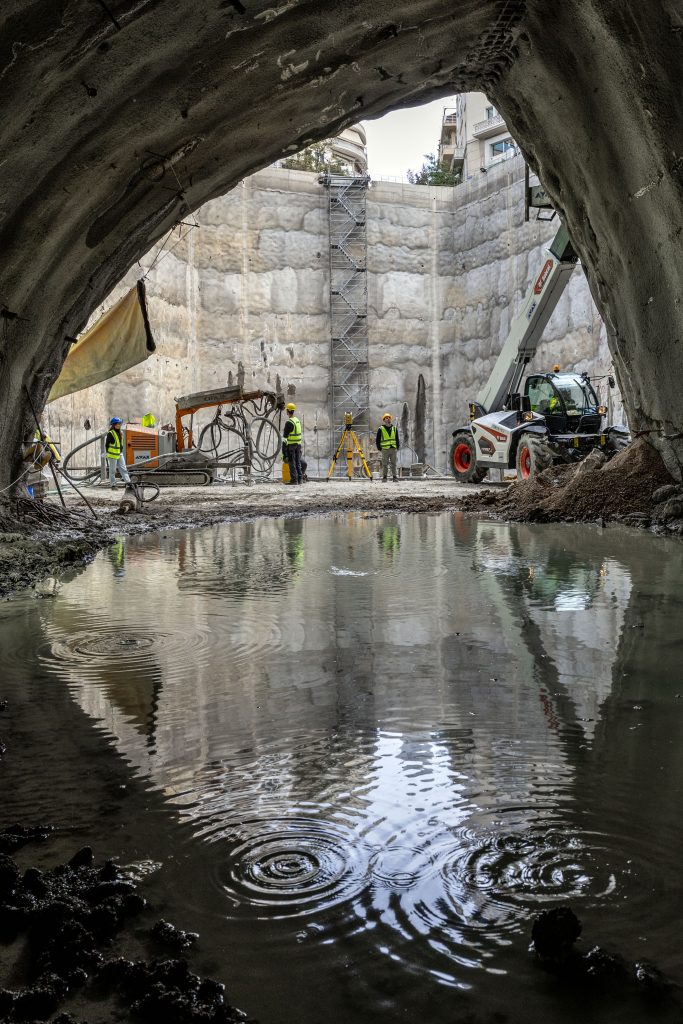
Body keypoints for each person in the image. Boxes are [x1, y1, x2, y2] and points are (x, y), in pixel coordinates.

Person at [106, 417, 131, 488]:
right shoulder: (110, 433)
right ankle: (113, 485)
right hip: (112, 455)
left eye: (120, 423)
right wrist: (108, 454)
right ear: (114, 424)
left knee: (124, 469)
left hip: (120, 454)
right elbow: (107, 445)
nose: (120, 425)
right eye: (118, 423)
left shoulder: (121, 432)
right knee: (113, 471)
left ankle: (128, 483)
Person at [282, 402, 304, 484]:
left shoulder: (289, 422)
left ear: (287, 411)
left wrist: (284, 453)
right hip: (298, 445)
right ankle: (300, 479)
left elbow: (285, 438)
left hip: (291, 446)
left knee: (292, 462)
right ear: (293, 411)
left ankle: (294, 480)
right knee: (298, 462)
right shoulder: (297, 421)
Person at [376, 412, 400, 482]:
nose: (388, 419)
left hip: (393, 449)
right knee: (385, 464)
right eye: (386, 418)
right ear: (384, 420)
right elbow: (377, 439)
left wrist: (397, 446)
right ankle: (384, 478)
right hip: (385, 449)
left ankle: (395, 477)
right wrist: (379, 447)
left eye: (389, 417)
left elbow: (397, 438)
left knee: (394, 464)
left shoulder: (394, 428)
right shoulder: (381, 429)